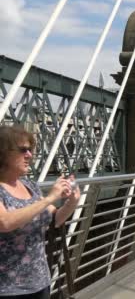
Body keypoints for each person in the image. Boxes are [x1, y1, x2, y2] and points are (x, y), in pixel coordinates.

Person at [0, 125, 81, 298]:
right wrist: (48, 199)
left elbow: (55, 219)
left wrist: (72, 201)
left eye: (30, 149)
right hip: (8, 288)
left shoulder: (30, 186)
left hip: (40, 282)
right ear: (3, 153)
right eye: (23, 150)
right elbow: (4, 222)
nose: (29, 155)